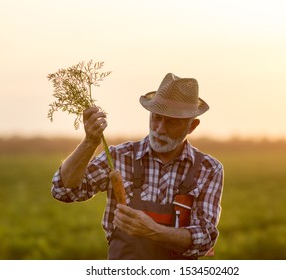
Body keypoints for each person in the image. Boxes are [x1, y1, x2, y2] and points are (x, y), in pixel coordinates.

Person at [51, 73, 224, 259]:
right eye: (156, 118)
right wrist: (89, 142)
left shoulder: (208, 169)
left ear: (192, 126)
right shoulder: (121, 156)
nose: (160, 129)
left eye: (172, 122)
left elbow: (204, 238)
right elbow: (65, 190)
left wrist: (152, 230)